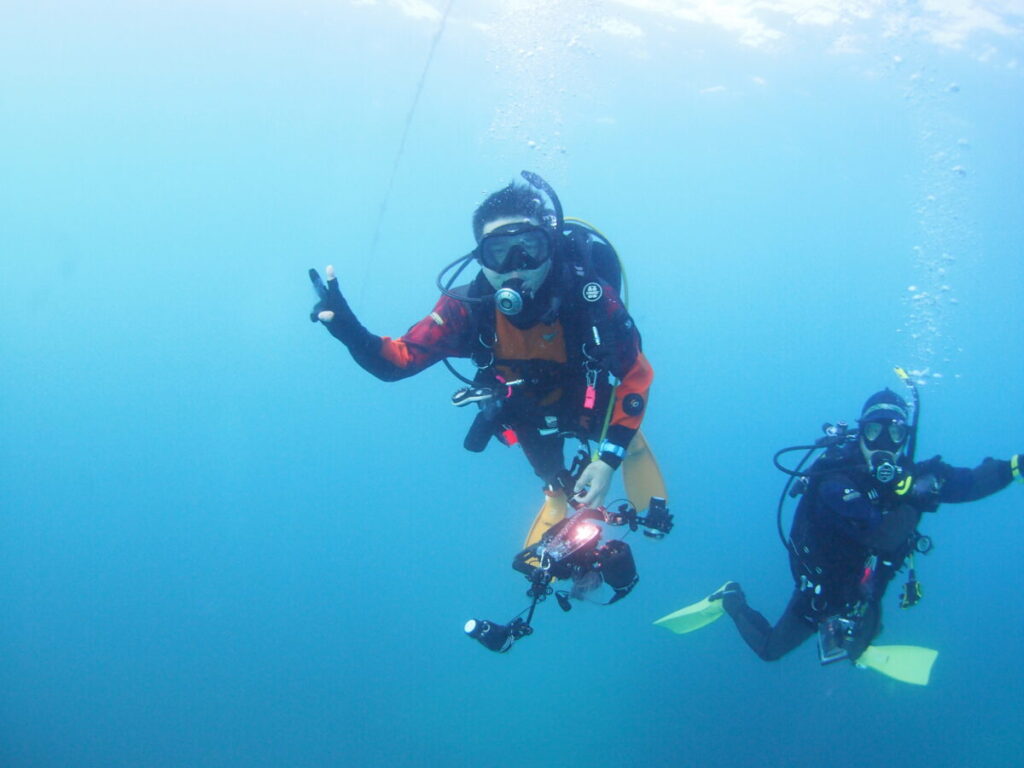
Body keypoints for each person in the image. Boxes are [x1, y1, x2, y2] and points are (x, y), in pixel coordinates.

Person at [309, 171, 658, 547]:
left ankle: (627, 443)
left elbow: (635, 375)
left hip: (588, 400)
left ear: (551, 245)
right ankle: (554, 490)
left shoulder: (589, 298)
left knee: (614, 427)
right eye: (499, 252)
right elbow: (398, 362)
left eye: (530, 246)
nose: (516, 265)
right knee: (544, 462)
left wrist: (608, 459)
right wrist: (350, 332)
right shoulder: (465, 309)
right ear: (480, 258)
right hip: (527, 409)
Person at [656, 376, 1021, 684]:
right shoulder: (835, 477)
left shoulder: (913, 477)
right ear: (860, 433)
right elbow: (881, 536)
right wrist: (915, 497)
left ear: (904, 437)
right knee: (770, 650)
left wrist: (1015, 467)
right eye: (874, 431)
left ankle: (855, 643)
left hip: (863, 587)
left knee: (859, 643)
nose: (883, 443)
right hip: (821, 589)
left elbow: (972, 483)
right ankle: (730, 598)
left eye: (894, 433)